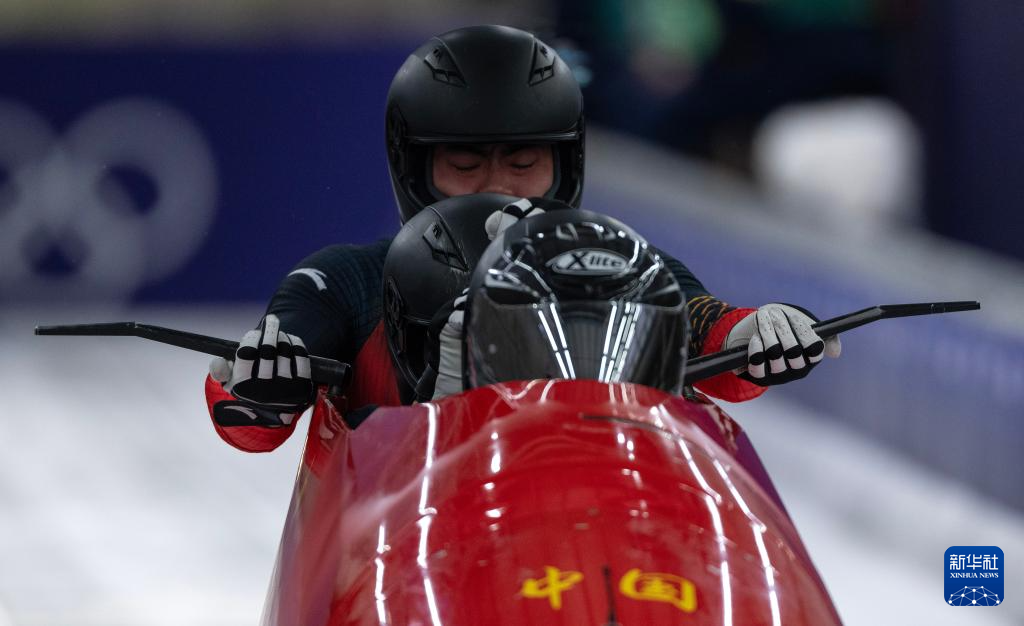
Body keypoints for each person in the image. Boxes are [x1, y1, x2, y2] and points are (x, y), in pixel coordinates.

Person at [205, 25, 839, 453]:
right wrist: (265, 384)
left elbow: (707, 330)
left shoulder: (620, 265)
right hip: (406, 544)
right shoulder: (346, 280)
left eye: (523, 162)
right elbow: (252, 418)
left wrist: (759, 334)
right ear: (413, 167)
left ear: (564, 165)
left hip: (596, 526)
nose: (498, 187)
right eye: (465, 164)